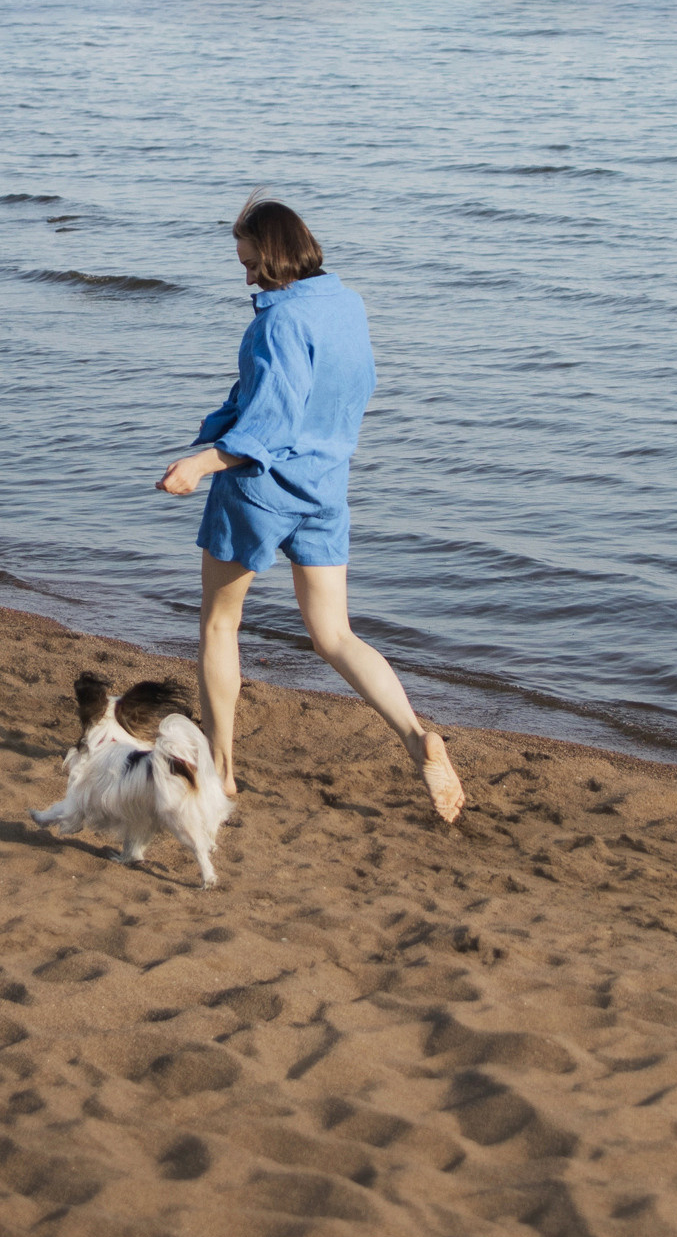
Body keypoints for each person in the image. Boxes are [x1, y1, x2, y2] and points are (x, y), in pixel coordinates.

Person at [156, 192, 463, 826]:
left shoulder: (277, 323)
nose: (244, 276)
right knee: (336, 635)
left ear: (271, 256)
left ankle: (223, 770)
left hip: (259, 489)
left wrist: (201, 462)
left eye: (248, 264)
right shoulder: (346, 305)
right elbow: (359, 387)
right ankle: (416, 738)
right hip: (326, 486)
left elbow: (265, 428)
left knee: (219, 626)